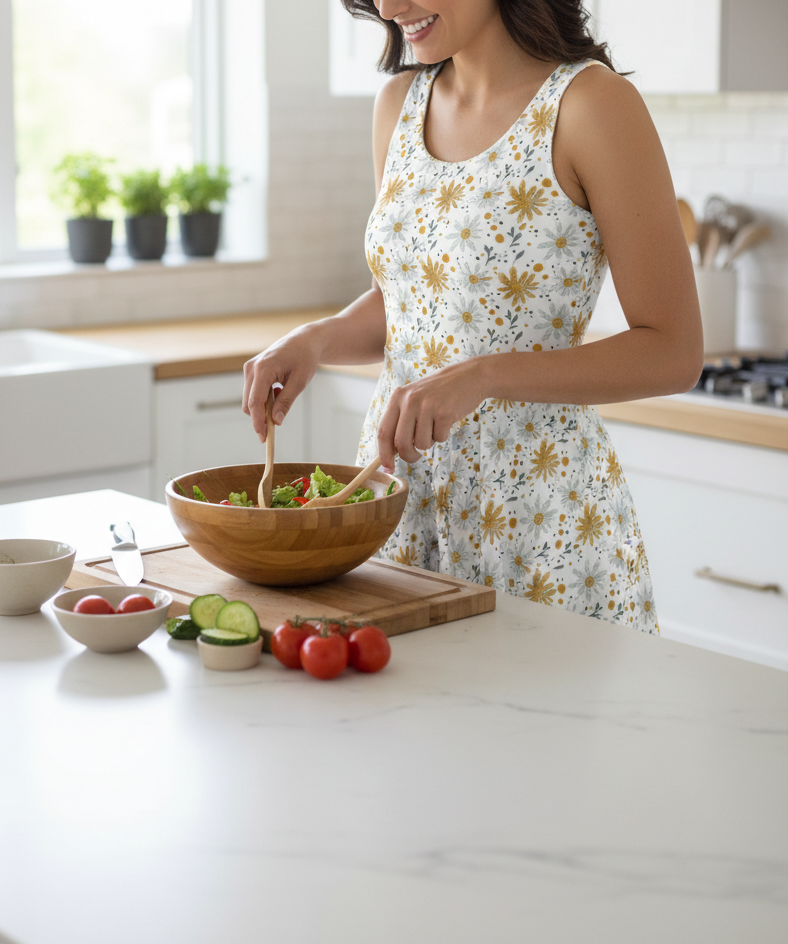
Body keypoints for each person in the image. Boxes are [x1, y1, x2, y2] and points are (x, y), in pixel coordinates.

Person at [243, 0, 703, 634]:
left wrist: (484, 376)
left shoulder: (591, 106)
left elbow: (673, 351)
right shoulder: (399, 104)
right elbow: (420, 302)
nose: (391, 7)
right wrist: (316, 339)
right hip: (400, 503)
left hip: (543, 523)